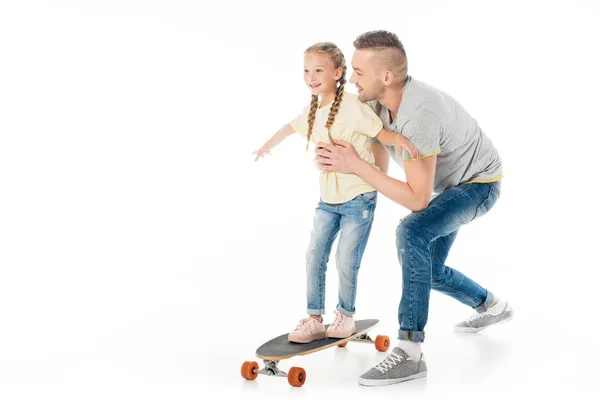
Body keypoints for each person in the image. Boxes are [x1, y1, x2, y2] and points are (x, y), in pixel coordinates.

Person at [314, 30, 513, 386]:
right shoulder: (372, 103)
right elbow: (379, 169)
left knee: (412, 231)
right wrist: (342, 162)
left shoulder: (419, 115)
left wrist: (355, 166)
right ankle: (492, 305)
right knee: (428, 270)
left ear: (386, 77)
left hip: (479, 184)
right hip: (449, 184)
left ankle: (410, 351)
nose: (350, 77)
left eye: (358, 71)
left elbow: (418, 199)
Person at [253, 42, 419, 344]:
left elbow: (381, 134)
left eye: (318, 70)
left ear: (337, 73)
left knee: (345, 259)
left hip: (360, 198)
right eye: (306, 70)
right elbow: (289, 128)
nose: (311, 76)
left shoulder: (353, 107)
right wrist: (266, 146)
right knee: (315, 254)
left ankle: (345, 314)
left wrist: (403, 142)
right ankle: (314, 318)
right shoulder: (313, 110)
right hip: (327, 200)